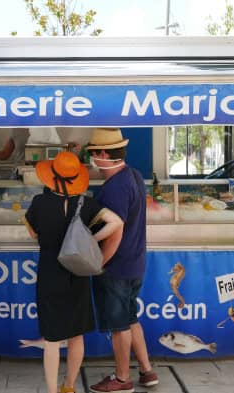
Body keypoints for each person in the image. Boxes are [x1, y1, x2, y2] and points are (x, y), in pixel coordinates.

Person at [24, 151, 123, 393]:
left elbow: (34, 233)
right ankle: (68, 386)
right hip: (77, 273)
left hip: (49, 273)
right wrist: (90, 238)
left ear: (51, 175)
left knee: (52, 339)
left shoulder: (39, 202)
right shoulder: (87, 204)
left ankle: (51, 390)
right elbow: (117, 222)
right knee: (76, 335)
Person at [86, 128, 159, 393]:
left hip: (116, 265)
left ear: (104, 153)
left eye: (93, 153)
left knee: (118, 327)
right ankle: (147, 371)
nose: (92, 158)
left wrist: (98, 264)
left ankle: (121, 379)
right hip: (135, 261)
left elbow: (114, 231)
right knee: (130, 319)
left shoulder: (115, 187)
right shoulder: (134, 175)